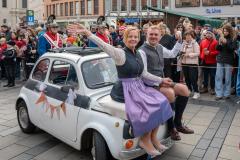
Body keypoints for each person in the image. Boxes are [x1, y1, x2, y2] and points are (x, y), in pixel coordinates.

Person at [68, 24, 173, 157]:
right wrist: (88, 33)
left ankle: (153, 138)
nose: (133, 39)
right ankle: (144, 140)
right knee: (147, 108)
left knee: (162, 102)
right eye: (130, 37)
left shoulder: (139, 53)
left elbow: (144, 74)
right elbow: (104, 46)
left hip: (139, 86)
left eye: (135, 37)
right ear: (125, 38)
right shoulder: (120, 53)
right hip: (125, 89)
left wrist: (161, 80)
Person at [139, 25, 194, 141]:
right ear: (146, 35)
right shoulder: (142, 51)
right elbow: (143, 74)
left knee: (185, 90)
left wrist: (179, 41)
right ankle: (171, 128)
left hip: (162, 81)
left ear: (160, 36)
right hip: (149, 84)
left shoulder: (159, 47)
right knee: (169, 93)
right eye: (151, 34)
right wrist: (161, 80)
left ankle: (178, 123)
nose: (153, 37)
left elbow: (172, 54)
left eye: (156, 35)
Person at [215, 24, 238, 100]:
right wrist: (220, 43)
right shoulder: (220, 37)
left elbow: (232, 49)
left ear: (229, 31)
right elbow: (217, 49)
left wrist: (226, 43)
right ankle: (219, 94)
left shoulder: (233, 38)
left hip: (229, 60)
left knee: (227, 78)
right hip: (220, 59)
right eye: (224, 31)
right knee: (218, 77)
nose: (225, 32)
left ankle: (227, 93)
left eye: (226, 31)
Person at [181, 31, 200, 99]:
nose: (188, 37)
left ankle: (196, 92)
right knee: (186, 78)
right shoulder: (183, 43)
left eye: (189, 36)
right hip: (184, 63)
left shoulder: (195, 43)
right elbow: (181, 51)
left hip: (192, 63)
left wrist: (188, 55)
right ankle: (189, 90)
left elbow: (198, 53)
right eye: (186, 36)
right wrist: (181, 53)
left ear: (192, 36)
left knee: (193, 78)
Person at [199, 29, 219, 95]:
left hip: (212, 62)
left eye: (209, 33)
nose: (208, 34)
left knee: (212, 76)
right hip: (204, 61)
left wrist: (210, 53)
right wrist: (203, 55)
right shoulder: (202, 41)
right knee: (205, 75)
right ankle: (205, 88)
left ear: (212, 34)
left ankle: (212, 88)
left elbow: (217, 52)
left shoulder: (215, 42)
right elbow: (201, 51)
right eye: (207, 33)